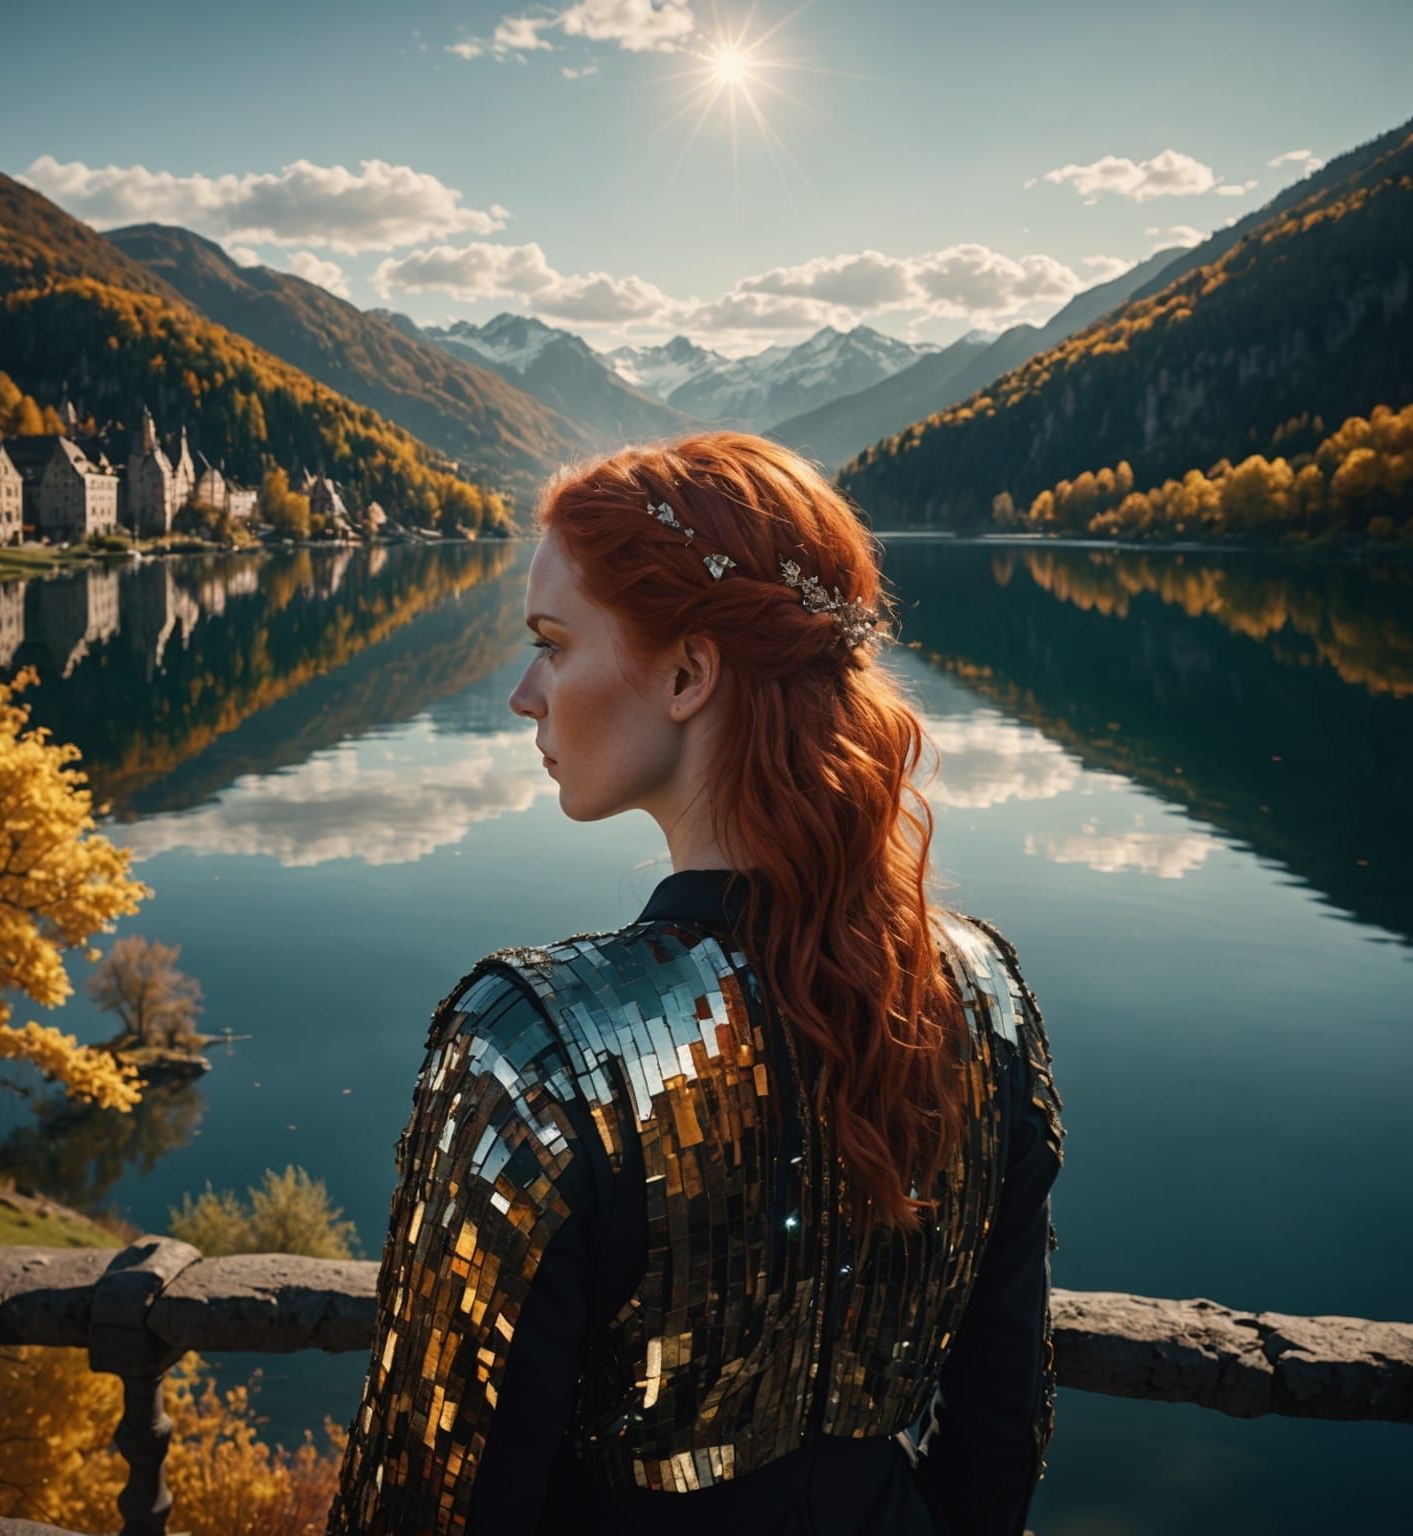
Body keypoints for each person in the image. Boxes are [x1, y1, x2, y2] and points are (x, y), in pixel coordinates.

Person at [327, 431, 1066, 1536]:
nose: (526, 695)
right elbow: (998, 1436)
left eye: (554, 645)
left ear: (688, 673)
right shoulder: (981, 995)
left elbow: (428, 1504)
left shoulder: (535, 1049)